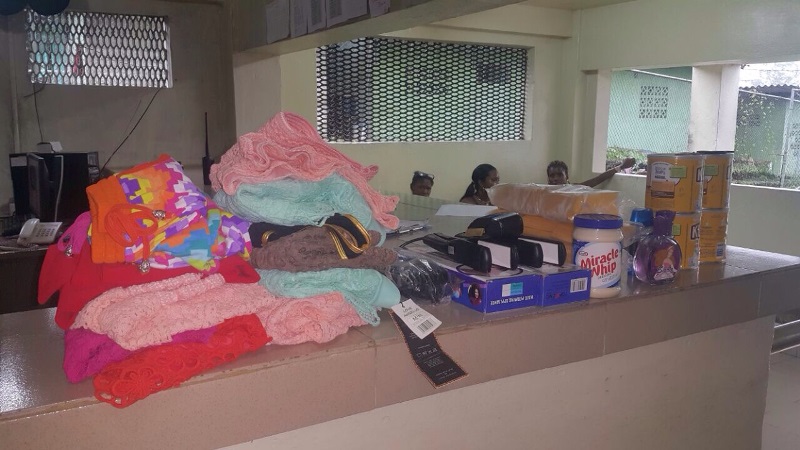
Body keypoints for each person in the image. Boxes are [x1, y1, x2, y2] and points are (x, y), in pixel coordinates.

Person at [547, 158, 636, 187]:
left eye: (560, 175)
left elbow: (597, 179)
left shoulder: (573, 189)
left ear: (567, 176)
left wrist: (621, 167)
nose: (555, 178)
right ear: (548, 179)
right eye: (552, 176)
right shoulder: (544, 192)